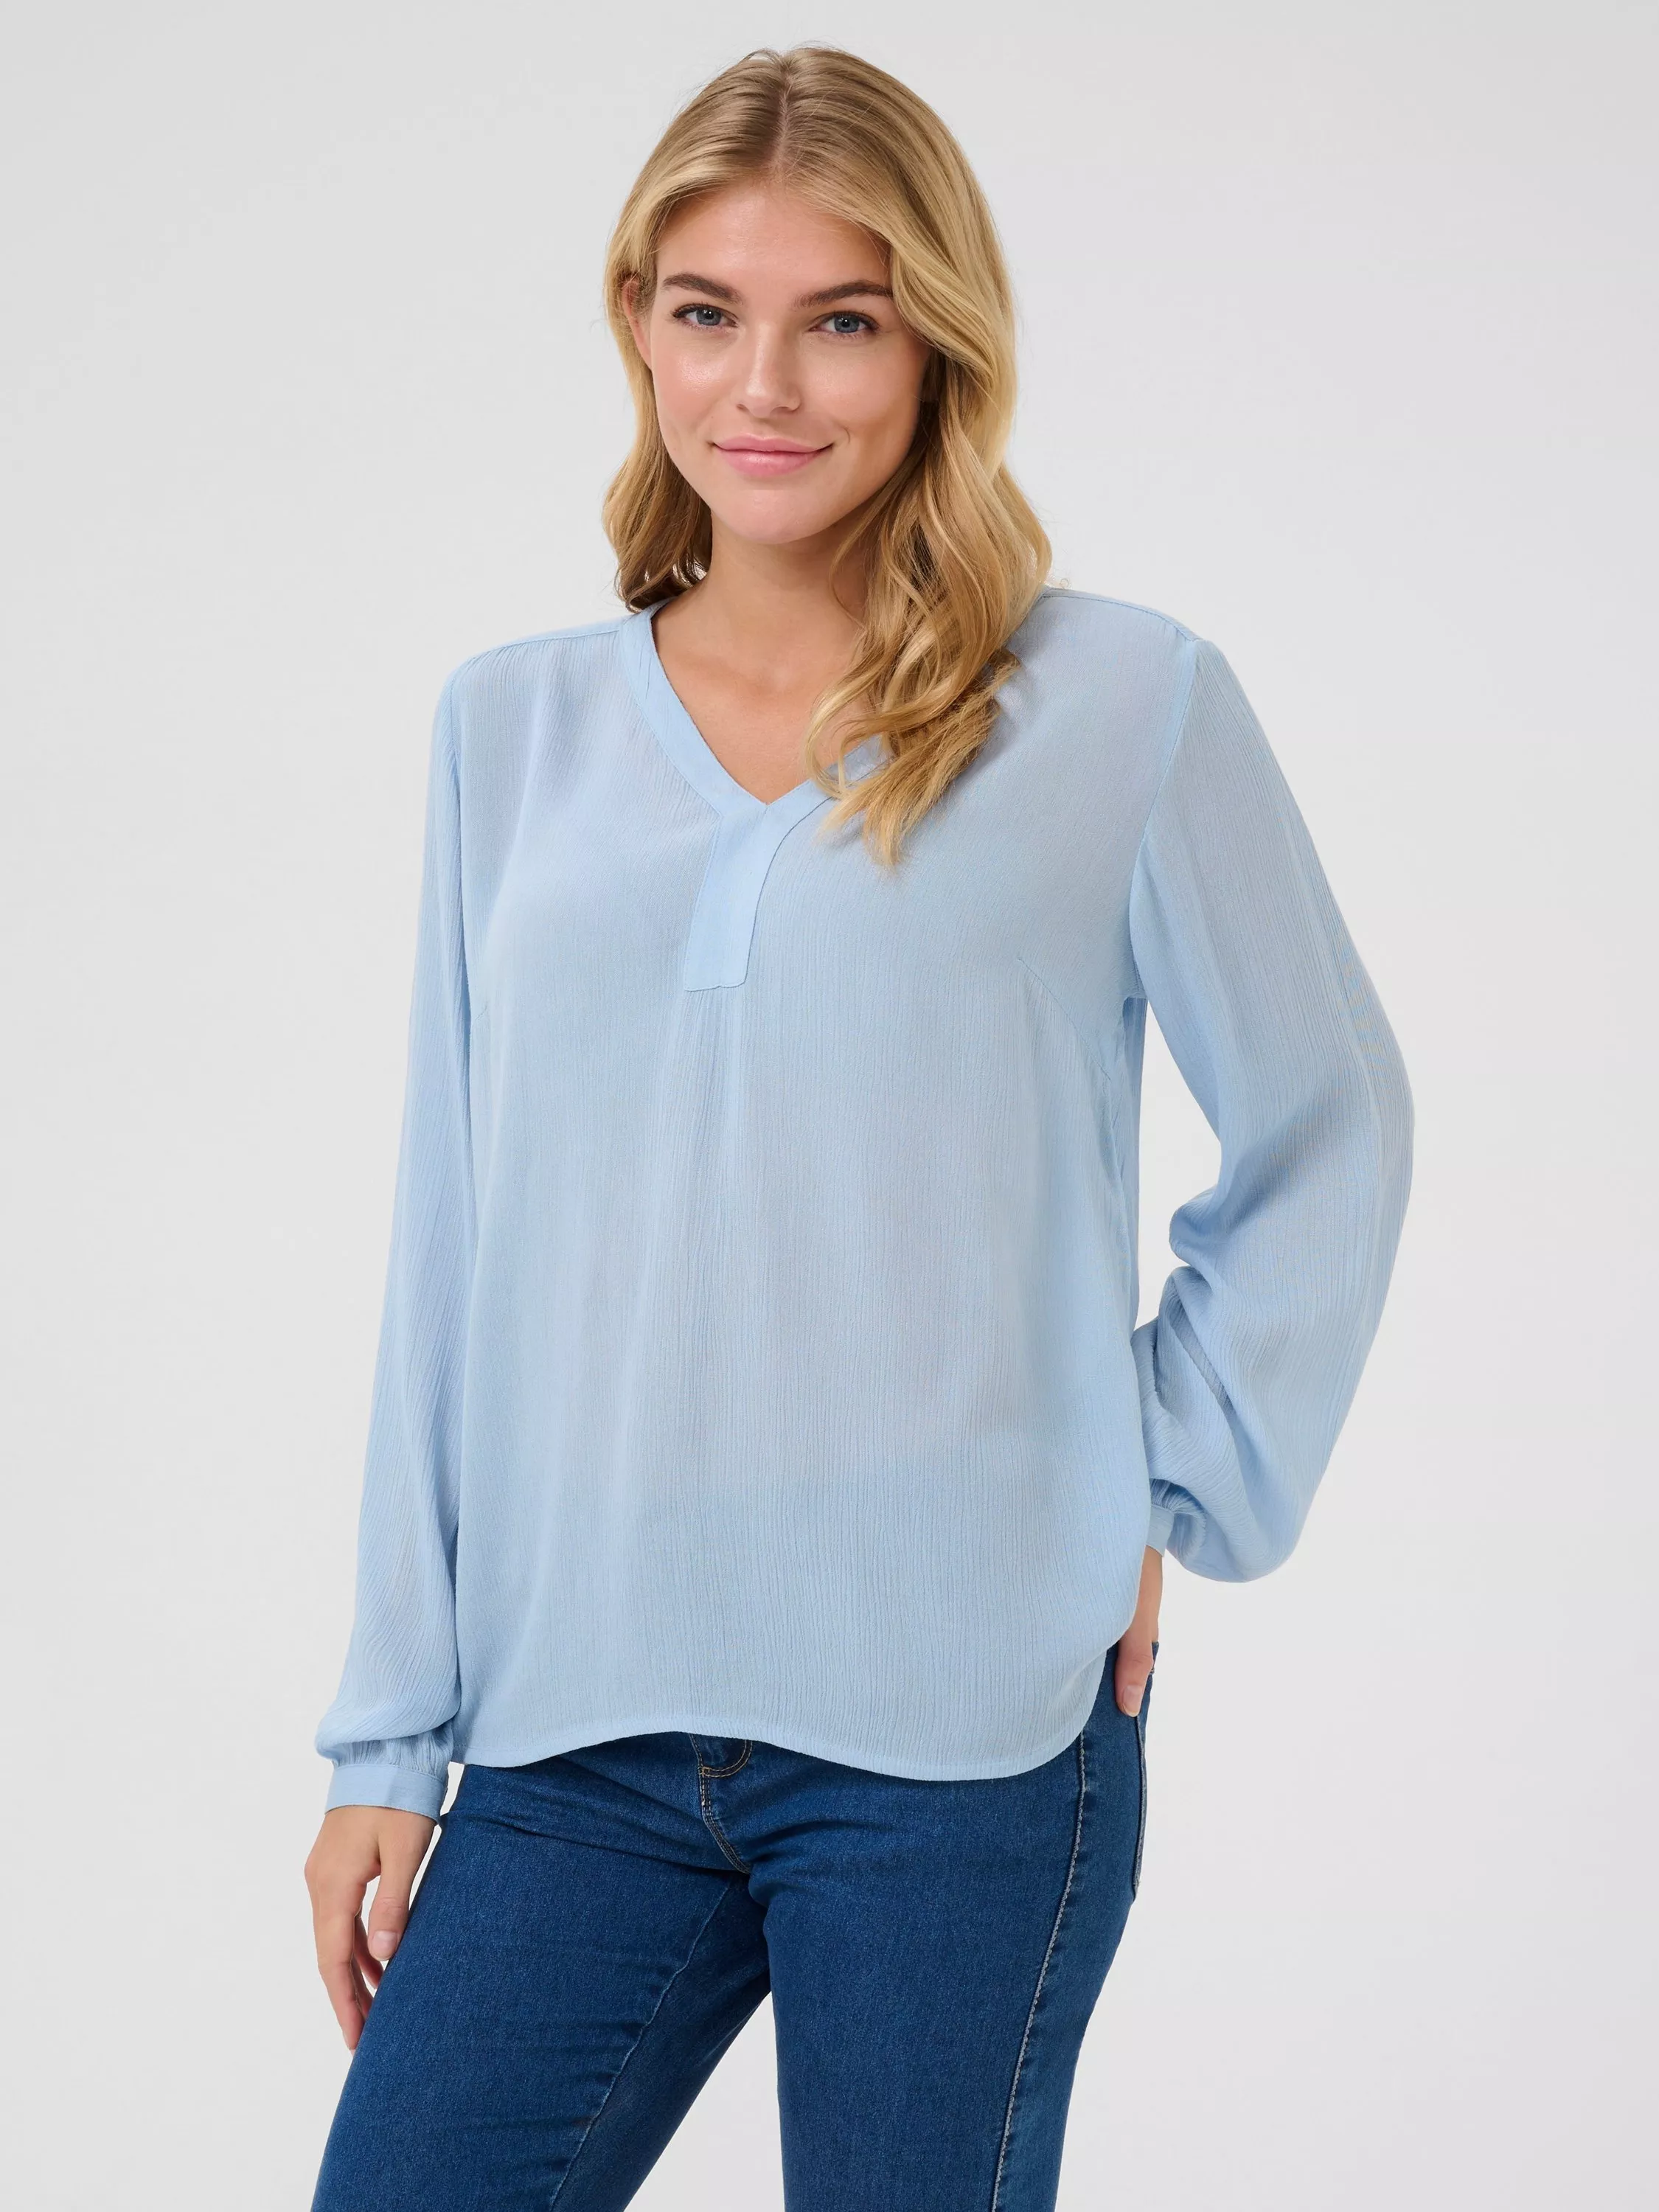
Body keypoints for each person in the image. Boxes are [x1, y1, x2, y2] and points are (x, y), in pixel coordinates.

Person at [303, 41, 1413, 2212]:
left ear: (935, 348)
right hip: (575, 1720)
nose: (766, 384)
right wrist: (385, 1730)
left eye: (842, 319)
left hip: (964, 1731)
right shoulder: (512, 733)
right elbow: (453, 1244)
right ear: (637, 325)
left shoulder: (1121, 705)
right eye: (708, 311)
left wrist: (1159, 1478)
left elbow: (1334, 1117)